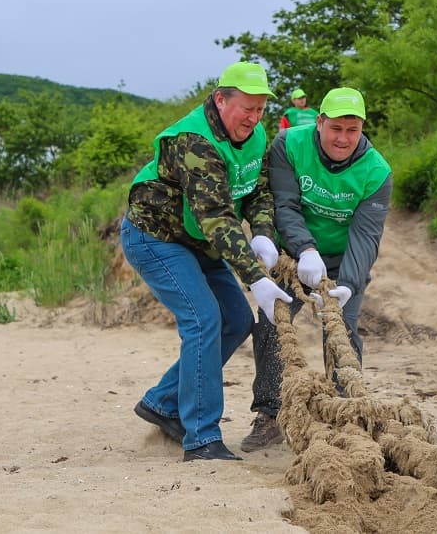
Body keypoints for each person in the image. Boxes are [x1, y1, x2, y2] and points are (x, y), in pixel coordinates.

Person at [121, 61, 293, 462]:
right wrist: (255, 278)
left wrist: (264, 231)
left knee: (236, 320)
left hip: (199, 241)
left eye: (259, 108)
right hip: (155, 237)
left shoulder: (254, 133)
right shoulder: (193, 141)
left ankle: (163, 403)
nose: (253, 117)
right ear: (220, 99)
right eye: (245, 107)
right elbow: (216, 215)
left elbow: (257, 191)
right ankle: (201, 438)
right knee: (203, 319)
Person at [241, 87, 392, 452]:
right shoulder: (288, 145)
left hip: (342, 261)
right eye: (335, 128)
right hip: (292, 255)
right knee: (270, 325)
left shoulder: (376, 171)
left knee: (342, 332)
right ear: (319, 122)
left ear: (361, 129)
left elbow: (366, 236)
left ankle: (345, 415)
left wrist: (350, 285)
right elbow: (286, 205)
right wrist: (305, 250)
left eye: (352, 130)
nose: (343, 138)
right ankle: (270, 413)